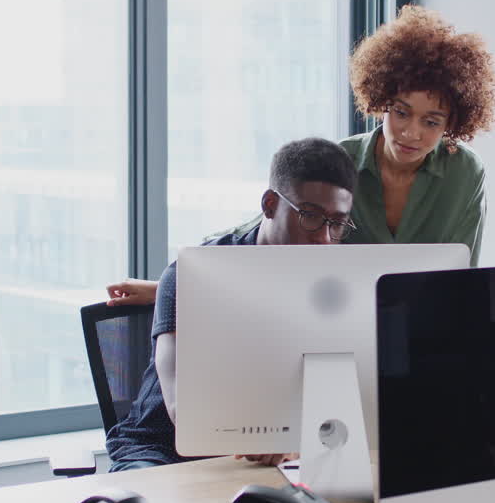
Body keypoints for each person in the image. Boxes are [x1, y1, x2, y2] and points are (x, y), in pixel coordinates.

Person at [106, 137, 358, 469]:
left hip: (267, 455)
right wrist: (273, 434)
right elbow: (185, 410)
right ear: (270, 204)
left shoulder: (328, 289)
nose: (323, 238)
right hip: (160, 451)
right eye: (310, 216)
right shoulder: (192, 274)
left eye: (336, 224)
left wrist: (296, 438)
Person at [341, 4, 495, 267]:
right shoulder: (340, 161)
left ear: (452, 123)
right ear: (383, 101)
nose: (412, 133)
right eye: (402, 113)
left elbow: (464, 273)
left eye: (431, 122)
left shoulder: (464, 172)